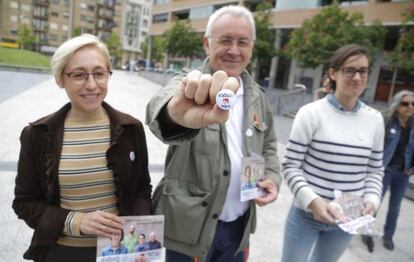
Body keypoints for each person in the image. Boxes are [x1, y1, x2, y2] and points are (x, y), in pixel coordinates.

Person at [146, 5, 281, 262]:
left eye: (242, 42)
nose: (234, 50)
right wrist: (175, 114)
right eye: (225, 40)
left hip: (238, 227)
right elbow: (161, 107)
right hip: (190, 229)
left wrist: (272, 177)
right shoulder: (190, 82)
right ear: (207, 43)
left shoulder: (258, 98)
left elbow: (270, 145)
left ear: (252, 48)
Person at [12, 34, 152, 262]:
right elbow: (24, 203)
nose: (91, 84)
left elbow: (141, 189)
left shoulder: (131, 129)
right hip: (62, 253)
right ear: (60, 79)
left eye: (99, 73)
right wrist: (77, 221)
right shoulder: (37, 135)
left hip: (119, 253)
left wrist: (138, 233)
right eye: (78, 75)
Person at [281, 44, 385, 262]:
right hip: (306, 215)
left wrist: (372, 201)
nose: (357, 77)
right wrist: (313, 201)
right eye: (349, 70)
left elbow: (375, 169)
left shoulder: (375, 119)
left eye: (363, 71)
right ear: (333, 72)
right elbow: (290, 165)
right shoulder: (310, 114)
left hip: (349, 218)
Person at [362, 90, 414, 252]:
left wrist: (412, 169)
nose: (410, 107)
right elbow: (374, 145)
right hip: (384, 171)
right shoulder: (387, 122)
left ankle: (388, 236)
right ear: (397, 106)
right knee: (374, 203)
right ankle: (367, 232)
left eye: (413, 104)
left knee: (395, 207)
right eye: (405, 104)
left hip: (403, 173)